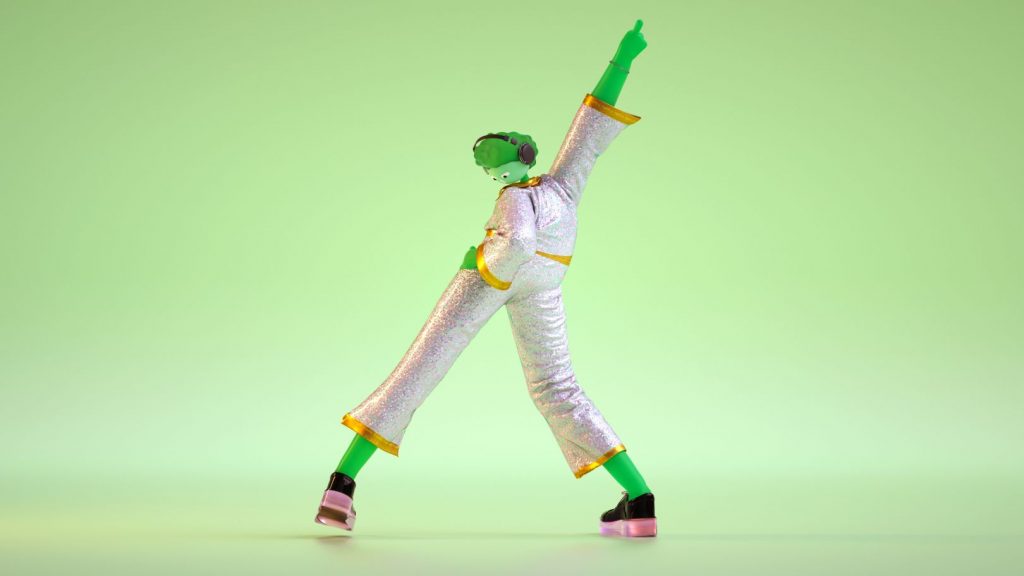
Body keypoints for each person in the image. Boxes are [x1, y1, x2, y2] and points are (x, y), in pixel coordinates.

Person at [316, 19, 656, 538]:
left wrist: (480, 263)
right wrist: (622, 61)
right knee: (557, 388)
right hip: (546, 285)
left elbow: (515, 243)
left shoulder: (515, 198)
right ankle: (640, 498)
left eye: (493, 166)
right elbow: (588, 128)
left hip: (489, 280)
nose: (495, 174)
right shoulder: (562, 187)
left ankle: (341, 486)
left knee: (419, 368)